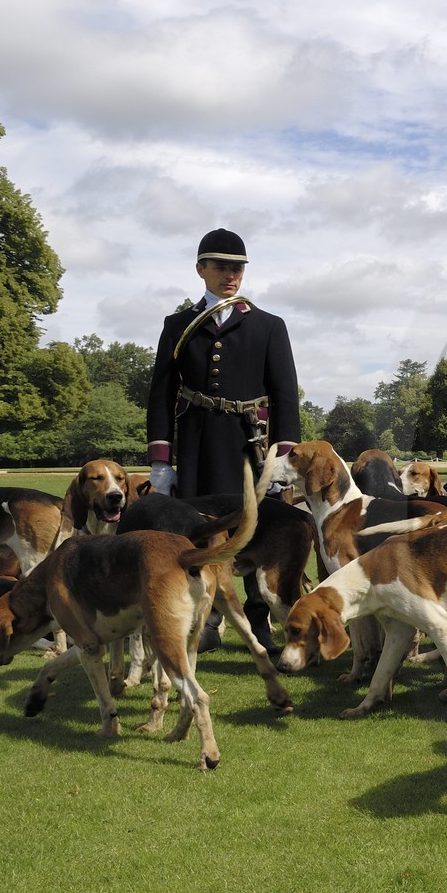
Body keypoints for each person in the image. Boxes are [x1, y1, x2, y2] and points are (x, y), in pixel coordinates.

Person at [147, 228, 301, 651]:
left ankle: (259, 621)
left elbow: (285, 395)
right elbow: (161, 393)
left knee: (252, 529)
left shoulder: (269, 326)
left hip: (247, 442)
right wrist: (161, 461)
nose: (230, 275)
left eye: (237, 268)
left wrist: (285, 458)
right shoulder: (178, 326)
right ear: (201, 269)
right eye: (221, 267)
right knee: (199, 532)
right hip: (195, 441)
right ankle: (207, 621)